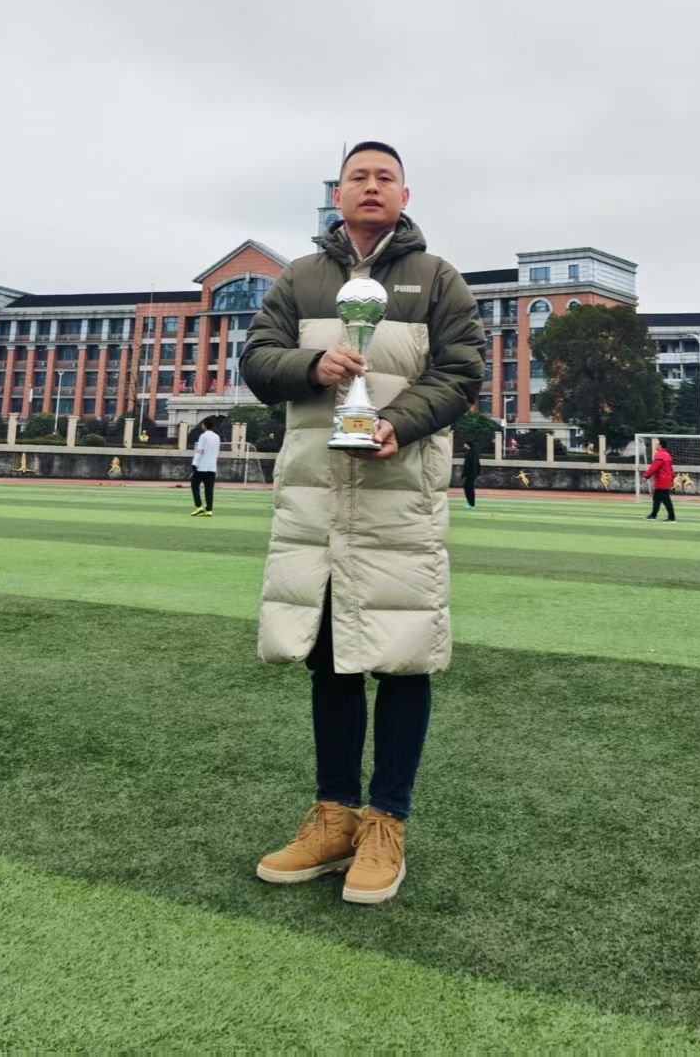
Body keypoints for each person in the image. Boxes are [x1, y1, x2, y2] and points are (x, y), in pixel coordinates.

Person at [244, 140, 484, 906]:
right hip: (318, 494)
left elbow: (462, 372)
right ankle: (335, 815)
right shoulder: (301, 277)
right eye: (358, 176)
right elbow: (257, 360)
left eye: (385, 177)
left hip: (397, 491)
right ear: (339, 194)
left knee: (403, 654)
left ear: (405, 195)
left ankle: (387, 823)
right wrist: (312, 367)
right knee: (328, 656)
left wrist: (398, 422)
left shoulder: (436, 278)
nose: (371, 186)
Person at [189, 418, 220, 517]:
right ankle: (209, 509)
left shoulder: (203, 436)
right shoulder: (217, 437)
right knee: (209, 489)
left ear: (205, 426)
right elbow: (216, 451)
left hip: (201, 466)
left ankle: (199, 506)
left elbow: (199, 450)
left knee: (194, 485)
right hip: (212, 467)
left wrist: (194, 463)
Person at [642, 438, 676, 520]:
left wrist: (646, 476)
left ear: (660, 445)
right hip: (666, 480)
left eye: (657, 444)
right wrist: (671, 479)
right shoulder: (667, 455)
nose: (655, 445)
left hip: (661, 481)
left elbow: (654, 467)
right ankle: (653, 515)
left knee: (665, 500)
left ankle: (671, 517)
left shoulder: (660, 455)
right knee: (657, 498)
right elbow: (671, 469)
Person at [460, 439, 480, 509]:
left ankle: (471, 504)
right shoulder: (474, 453)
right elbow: (478, 464)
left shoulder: (468, 454)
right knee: (469, 488)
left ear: (467, 445)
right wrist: (478, 472)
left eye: (465, 444)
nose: (464, 445)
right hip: (474, 473)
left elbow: (467, 466)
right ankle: (471, 503)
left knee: (468, 488)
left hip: (470, 474)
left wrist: (463, 474)